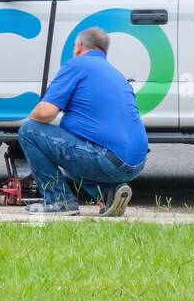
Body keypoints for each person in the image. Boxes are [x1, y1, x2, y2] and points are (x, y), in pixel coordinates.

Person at [17, 27, 148, 217]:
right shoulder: (116, 74)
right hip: (136, 162)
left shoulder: (76, 66)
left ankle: (58, 200)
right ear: (103, 50)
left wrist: (31, 124)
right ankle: (109, 193)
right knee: (70, 146)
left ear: (79, 46)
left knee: (29, 132)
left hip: (106, 159)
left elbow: (45, 113)